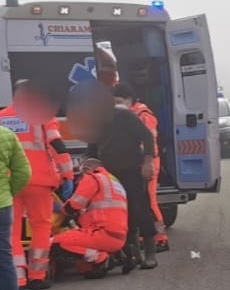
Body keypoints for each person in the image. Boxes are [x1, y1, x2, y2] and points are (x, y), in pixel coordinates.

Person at [71, 80, 157, 270]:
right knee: (119, 214)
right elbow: (92, 147)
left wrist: (148, 161)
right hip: (110, 176)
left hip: (132, 170)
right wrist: (89, 164)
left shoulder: (125, 116)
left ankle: (150, 252)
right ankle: (132, 252)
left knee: (140, 209)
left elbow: (147, 137)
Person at [0, 81, 74, 290]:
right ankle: (37, 276)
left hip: (8, 183)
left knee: (10, 231)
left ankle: (17, 279)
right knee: (41, 226)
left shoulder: (2, 116)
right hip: (38, 181)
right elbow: (57, 145)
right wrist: (67, 174)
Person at [50, 159, 130, 279]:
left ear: (86, 170)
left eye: (80, 176)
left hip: (101, 233)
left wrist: (58, 208)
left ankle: (99, 257)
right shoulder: (114, 181)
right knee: (84, 268)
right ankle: (104, 258)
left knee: (53, 243)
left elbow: (73, 206)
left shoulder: (93, 178)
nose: (78, 181)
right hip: (118, 237)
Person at [113, 83, 170, 253]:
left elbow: (149, 141)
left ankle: (160, 239)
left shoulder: (143, 115)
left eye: (119, 100)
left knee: (149, 202)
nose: (116, 104)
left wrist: (146, 162)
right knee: (137, 202)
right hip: (134, 162)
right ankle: (141, 236)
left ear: (129, 100)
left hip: (148, 162)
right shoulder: (127, 114)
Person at [0, 121, 32, 290]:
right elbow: (24, 172)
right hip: (2, 205)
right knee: (5, 260)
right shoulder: (6, 134)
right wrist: (8, 192)